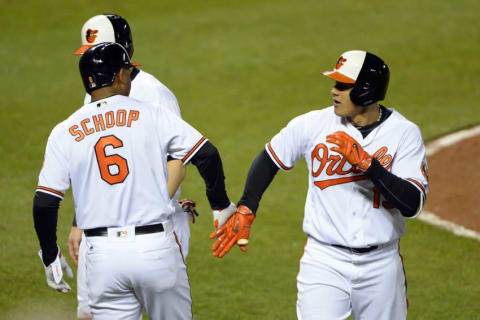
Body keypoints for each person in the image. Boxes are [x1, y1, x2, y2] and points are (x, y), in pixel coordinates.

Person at [210, 50, 429, 320]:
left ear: (365, 91)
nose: (333, 91)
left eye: (343, 86)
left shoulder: (404, 133)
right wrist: (247, 207)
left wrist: (368, 165)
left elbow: (412, 204)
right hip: (324, 260)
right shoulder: (314, 123)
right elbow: (268, 159)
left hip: (381, 265)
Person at [33, 42, 235, 319]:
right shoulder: (151, 113)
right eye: (127, 71)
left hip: (102, 257)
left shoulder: (64, 131)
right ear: (119, 76)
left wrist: (49, 254)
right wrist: (221, 205)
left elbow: (45, 201)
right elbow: (207, 155)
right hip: (155, 249)